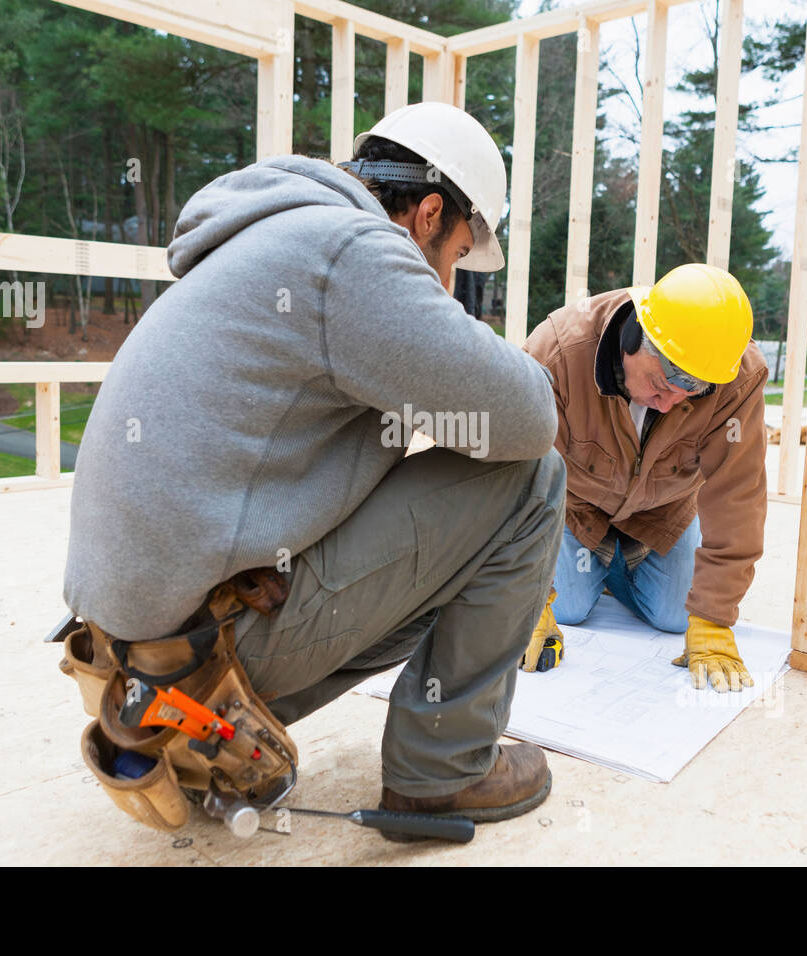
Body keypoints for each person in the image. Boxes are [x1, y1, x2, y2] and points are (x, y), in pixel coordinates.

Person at [61, 102, 563, 836]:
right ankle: (444, 773)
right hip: (198, 657)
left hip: (132, 663)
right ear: (427, 214)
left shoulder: (272, 233)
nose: (447, 284)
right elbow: (525, 419)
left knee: (446, 541)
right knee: (532, 480)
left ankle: (214, 747)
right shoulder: (351, 253)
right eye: (453, 257)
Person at [520, 266, 767, 693]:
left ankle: (612, 570)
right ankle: (598, 569)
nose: (669, 405)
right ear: (633, 336)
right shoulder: (558, 351)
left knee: (678, 617)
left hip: (662, 514)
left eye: (689, 392)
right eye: (660, 383)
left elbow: (737, 498)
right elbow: (516, 474)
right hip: (575, 510)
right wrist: (523, 600)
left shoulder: (734, 377)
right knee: (572, 607)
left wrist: (713, 620)